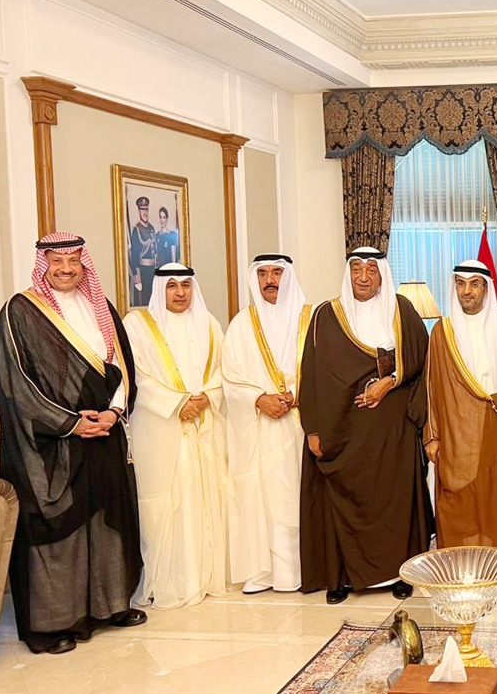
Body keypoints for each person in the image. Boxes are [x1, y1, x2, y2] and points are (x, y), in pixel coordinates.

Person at [0, 233, 145, 654]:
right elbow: (15, 385)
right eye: (57, 261)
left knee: (105, 519)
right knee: (59, 530)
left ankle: (109, 606)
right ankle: (53, 623)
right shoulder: (19, 312)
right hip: (52, 443)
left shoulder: (103, 308)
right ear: (43, 264)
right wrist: (70, 423)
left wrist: (113, 413)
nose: (65, 268)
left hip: (105, 433)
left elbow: (123, 366)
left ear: (84, 264)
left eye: (73, 260)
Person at [299, 247, 431, 604]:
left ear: (382, 274)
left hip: (391, 427)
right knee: (342, 499)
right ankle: (340, 577)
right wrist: (312, 428)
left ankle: (400, 572)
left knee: (396, 498)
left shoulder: (401, 309)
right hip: (341, 427)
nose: (363, 276)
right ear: (348, 272)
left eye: (372, 269)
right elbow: (309, 373)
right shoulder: (326, 315)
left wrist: (389, 381)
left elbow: (422, 355)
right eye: (357, 268)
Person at [424, 260, 497, 597]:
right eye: (461, 284)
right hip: (456, 434)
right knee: (458, 506)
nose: (467, 291)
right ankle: (464, 575)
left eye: (475, 284)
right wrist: (432, 435)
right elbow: (432, 387)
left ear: (486, 288)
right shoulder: (441, 332)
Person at [123, 263, 230, 609]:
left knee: (203, 497)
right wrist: (176, 404)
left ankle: (204, 576)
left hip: (203, 424)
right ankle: (167, 581)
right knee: (163, 503)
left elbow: (221, 372)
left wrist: (205, 399)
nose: (180, 292)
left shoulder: (210, 324)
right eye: (172, 286)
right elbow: (136, 374)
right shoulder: (137, 325)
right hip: (159, 428)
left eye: (185, 285)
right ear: (159, 290)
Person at [222, 254, 312, 594]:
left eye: (277, 272)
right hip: (260, 428)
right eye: (263, 273)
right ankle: (265, 573)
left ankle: (305, 570)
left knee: (296, 497)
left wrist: (296, 395)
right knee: (264, 498)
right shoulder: (241, 324)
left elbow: (327, 369)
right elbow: (229, 379)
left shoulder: (311, 319)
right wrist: (260, 398)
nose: (270, 279)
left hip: (303, 424)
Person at [128, 196, 157, 307]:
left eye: (146, 209)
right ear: (139, 211)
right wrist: (136, 274)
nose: (145, 212)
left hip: (153, 269)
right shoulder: (136, 229)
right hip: (142, 269)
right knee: (144, 300)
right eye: (143, 210)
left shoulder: (152, 228)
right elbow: (135, 254)